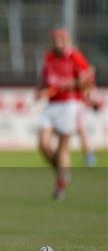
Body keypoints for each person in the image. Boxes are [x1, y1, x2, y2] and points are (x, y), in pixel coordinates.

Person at [37, 28, 94, 200]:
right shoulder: (49, 56)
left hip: (69, 104)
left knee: (63, 146)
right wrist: (40, 90)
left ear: (66, 40)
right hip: (52, 104)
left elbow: (87, 81)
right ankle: (62, 173)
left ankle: (60, 184)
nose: (56, 42)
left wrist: (73, 83)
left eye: (59, 39)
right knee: (43, 144)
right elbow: (45, 80)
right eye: (54, 39)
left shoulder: (75, 56)